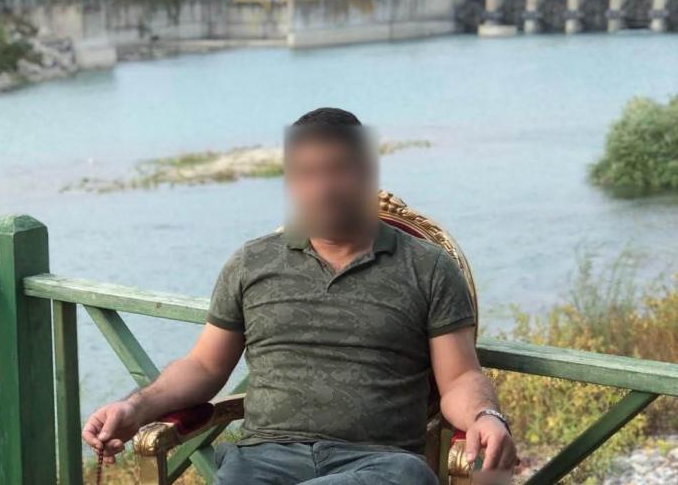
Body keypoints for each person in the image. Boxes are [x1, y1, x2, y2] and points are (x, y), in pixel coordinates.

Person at [83, 108, 518, 484]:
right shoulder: (251, 263)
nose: (322, 187)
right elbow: (203, 366)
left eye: (336, 170)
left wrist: (486, 416)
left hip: (378, 465)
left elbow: (459, 378)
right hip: (263, 461)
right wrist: (133, 408)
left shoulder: (428, 267)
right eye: (306, 174)